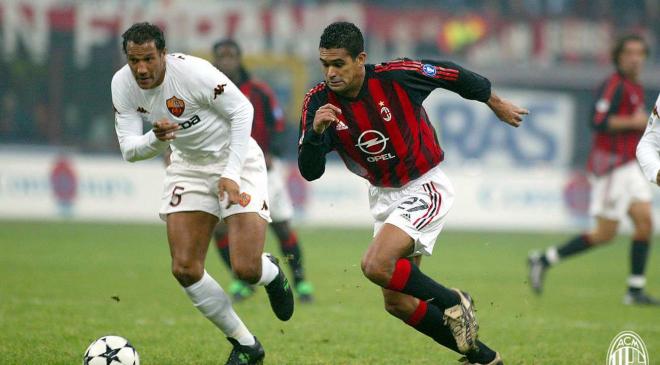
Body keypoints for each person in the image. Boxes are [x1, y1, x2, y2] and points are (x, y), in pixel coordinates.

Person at [298, 21, 527, 365]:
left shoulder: (396, 77)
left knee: (375, 264)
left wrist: (493, 101)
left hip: (424, 185)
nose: (330, 73)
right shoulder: (318, 103)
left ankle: (454, 301)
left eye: (339, 64)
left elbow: (450, 73)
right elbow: (310, 172)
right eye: (325, 64)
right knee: (398, 303)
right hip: (383, 196)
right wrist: (316, 134)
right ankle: (484, 358)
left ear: (361, 58)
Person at [112, 22, 294, 365]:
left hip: (237, 158)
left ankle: (268, 272)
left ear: (163, 54)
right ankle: (246, 344)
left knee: (245, 268)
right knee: (184, 267)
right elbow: (129, 149)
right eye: (134, 60)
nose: (141, 69)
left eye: (149, 59)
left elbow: (243, 112)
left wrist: (230, 173)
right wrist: (156, 137)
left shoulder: (195, 72)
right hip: (188, 166)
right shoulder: (122, 84)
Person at [528, 34, 659, 306]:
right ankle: (544, 259)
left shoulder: (635, 86)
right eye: (629, 53)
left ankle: (634, 290)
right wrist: (633, 121)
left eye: (639, 53)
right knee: (605, 234)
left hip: (630, 166)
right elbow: (597, 120)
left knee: (645, 223)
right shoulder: (613, 85)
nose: (635, 58)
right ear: (619, 57)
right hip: (611, 167)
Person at [211, 39, 314, 303]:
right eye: (220, 56)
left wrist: (273, 153)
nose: (226, 60)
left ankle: (300, 281)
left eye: (230, 55)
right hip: (227, 170)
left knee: (281, 227)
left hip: (262, 169)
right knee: (221, 230)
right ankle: (241, 281)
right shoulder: (206, 92)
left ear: (239, 57)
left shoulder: (259, 90)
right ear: (214, 59)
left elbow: (280, 124)